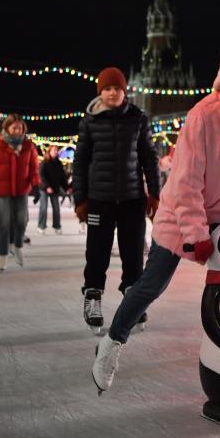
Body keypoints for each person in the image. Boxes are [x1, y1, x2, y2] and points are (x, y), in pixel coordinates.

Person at [91, 34, 220, 394]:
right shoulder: (204, 115)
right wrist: (195, 233)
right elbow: (186, 181)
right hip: (183, 215)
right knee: (153, 284)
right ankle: (112, 342)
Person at [72, 67, 160, 333]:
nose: (112, 93)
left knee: (133, 254)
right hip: (100, 200)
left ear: (125, 92)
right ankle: (93, 298)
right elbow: (80, 163)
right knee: (97, 253)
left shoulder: (138, 119)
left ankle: (133, 305)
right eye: (107, 89)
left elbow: (149, 158)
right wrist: (81, 200)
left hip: (132, 199)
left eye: (116, 88)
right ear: (101, 92)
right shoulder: (90, 122)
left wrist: (155, 194)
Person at [0, 114, 40, 270]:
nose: (17, 130)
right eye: (14, 127)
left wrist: (36, 186)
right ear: (7, 128)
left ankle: (17, 246)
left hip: (22, 191)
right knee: (4, 223)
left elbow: (33, 169)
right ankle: (2, 257)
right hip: (2, 192)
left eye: (20, 127)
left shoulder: (28, 147)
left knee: (22, 220)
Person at [37, 145, 68, 234]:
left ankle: (57, 226)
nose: (56, 152)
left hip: (54, 188)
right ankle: (41, 226)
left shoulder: (58, 163)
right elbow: (41, 176)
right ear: (49, 151)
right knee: (44, 208)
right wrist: (47, 187)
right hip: (44, 188)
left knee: (56, 208)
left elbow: (62, 177)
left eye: (56, 150)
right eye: (54, 150)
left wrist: (66, 188)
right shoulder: (44, 162)